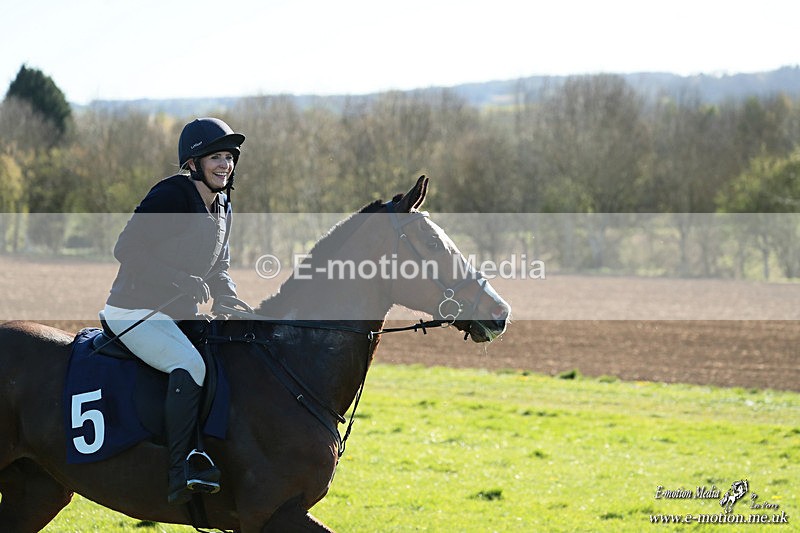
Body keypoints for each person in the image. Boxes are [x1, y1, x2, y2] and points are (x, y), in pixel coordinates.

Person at [101, 117, 245, 505]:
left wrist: (228, 298)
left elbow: (220, 267)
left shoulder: (224, 206)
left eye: (229, 157)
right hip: (134, 313)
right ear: (194, 162)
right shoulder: (171, 195)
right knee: (192, 367)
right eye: (216, 156)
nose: (224, 165)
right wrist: (179, 279)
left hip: (177, 316)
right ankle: (183, 467)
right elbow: (126, 249)